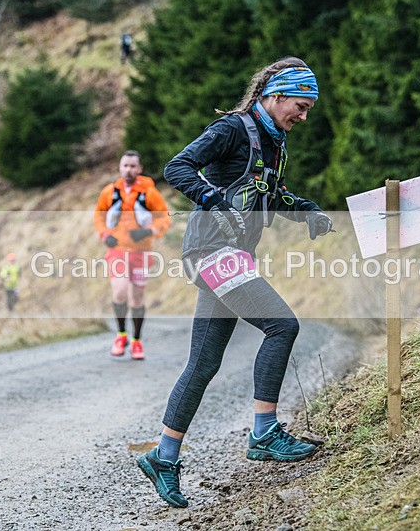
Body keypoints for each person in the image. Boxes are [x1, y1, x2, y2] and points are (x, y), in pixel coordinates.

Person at [136, 57, 333, 508]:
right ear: (275, 95)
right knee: (283, 325)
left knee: (203, 364)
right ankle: (264, 432)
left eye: (307, 110)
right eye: (299, 107)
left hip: (233, 255)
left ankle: (162, 456)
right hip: (211, 251)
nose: (303, 117)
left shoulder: (274, 141)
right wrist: (213, 199)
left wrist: (308, 212)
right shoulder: (233, 129)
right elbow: (178, 166)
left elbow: (270, 194)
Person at [93, 150, 171, 359]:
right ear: (120, 167)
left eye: (132, 166)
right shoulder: (109, 192)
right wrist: (104, 235)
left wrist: (149, 231)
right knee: (119, 290)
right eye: (125, 165)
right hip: (117, 251)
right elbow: (99, 216)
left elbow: (164, 218)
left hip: (141, 252)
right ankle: (121, 335)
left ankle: (136, 340)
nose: (128, 169)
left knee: (137, 297)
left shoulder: (150, 193)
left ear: (140, 169)